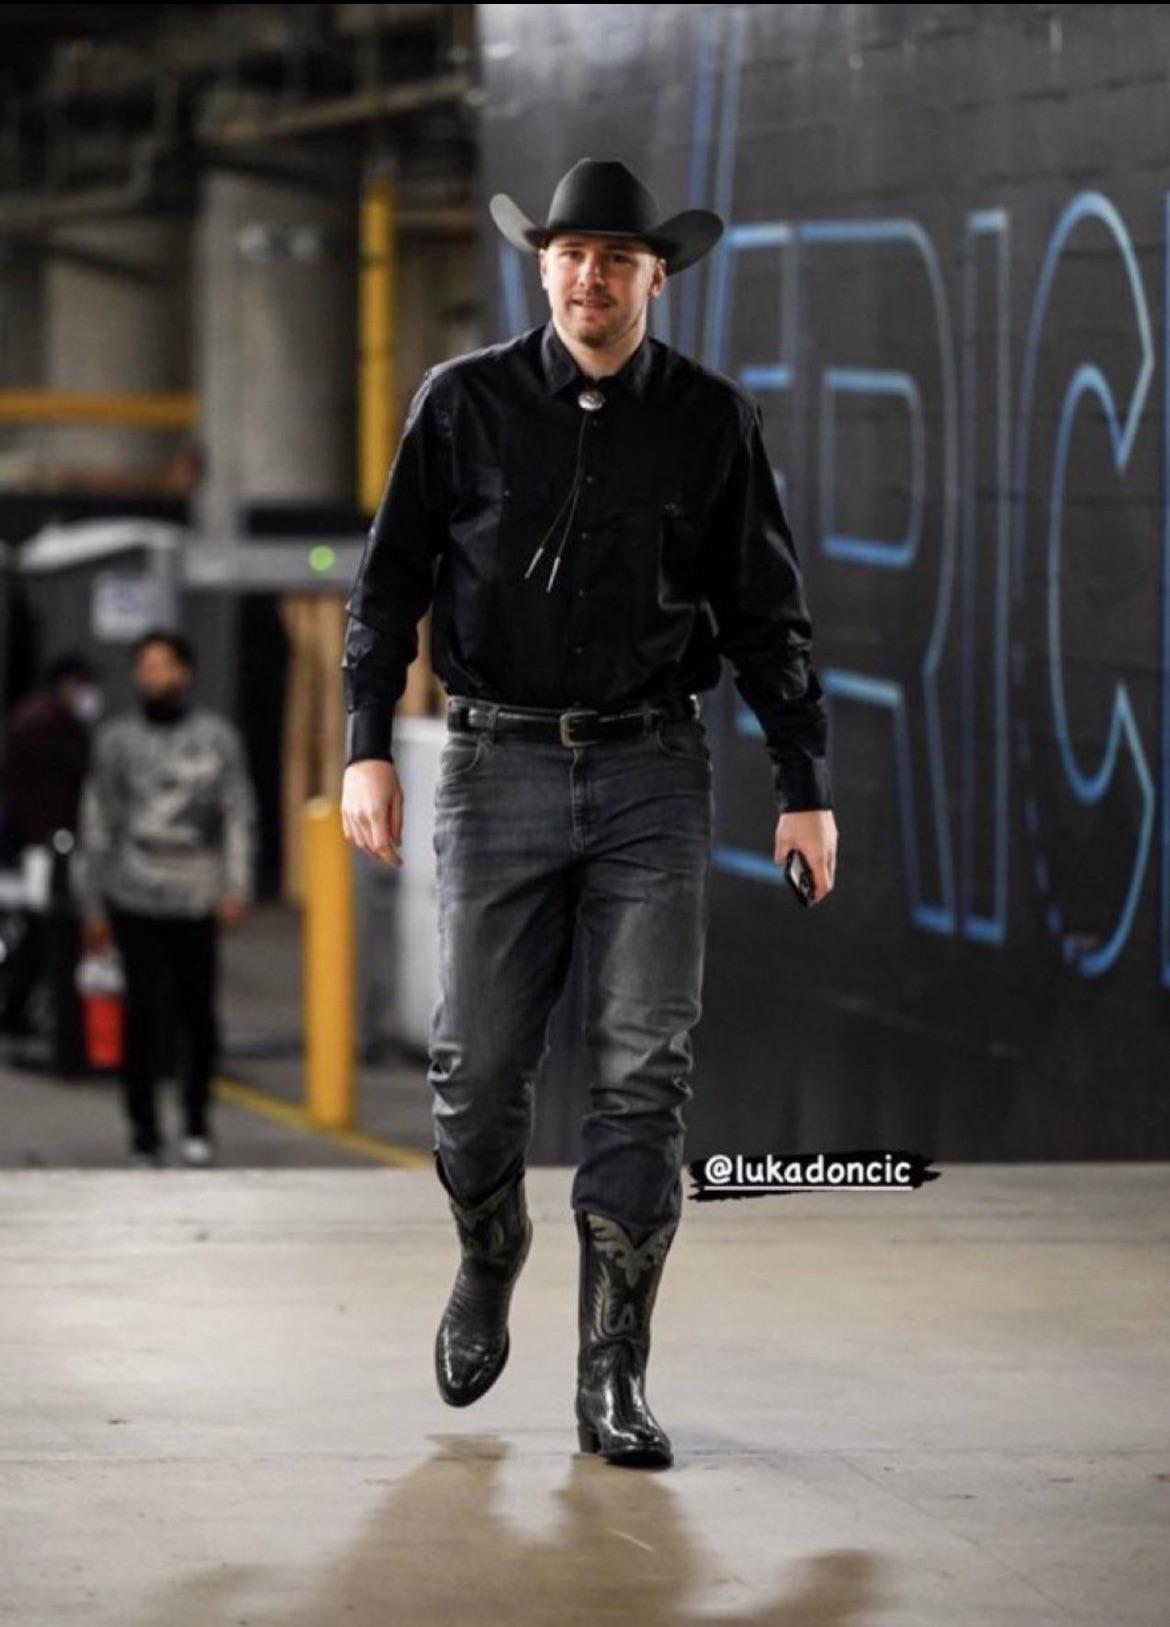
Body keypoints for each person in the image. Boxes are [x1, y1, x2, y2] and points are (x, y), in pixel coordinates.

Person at [340, 157, 839, 1468]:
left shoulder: (709, 421)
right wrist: (363, 746)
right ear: (543, 267)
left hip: (649, 772)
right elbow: (385, 584)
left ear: (654, 277)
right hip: (492, 764)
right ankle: (488, 1246)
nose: (590, 277)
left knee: (642, 1073)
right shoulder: (463, 402)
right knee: (474, 1072)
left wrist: (804, 785)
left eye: (617, 258)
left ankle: (610, 1373)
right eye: (569, 254)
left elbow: (766, 615)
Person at [75, 629, 258, 1169]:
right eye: (146, 667)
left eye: (164, 665)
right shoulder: (116, 741)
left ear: (186, 672)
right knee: (140, 1015)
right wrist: (92, 903)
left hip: (197, 890)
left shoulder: (215, 738)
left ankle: (196, 1123)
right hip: (133, 888)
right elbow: (97, 820)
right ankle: (144, 1134)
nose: (154, 676)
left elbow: (237, 814)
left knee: (198, 1015)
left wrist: (237, 885)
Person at [0, 651, 103, 1038]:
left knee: (37, 929)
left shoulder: (34, 717)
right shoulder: (50, 723)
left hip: (37, 839)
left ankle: (20, 1007)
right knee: (44, 930)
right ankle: (21, 1008)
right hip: (46, 842)